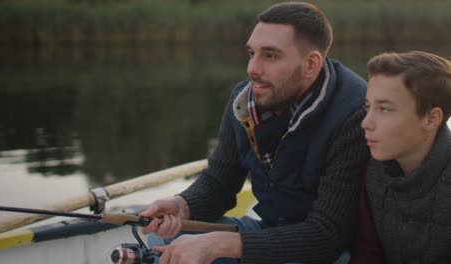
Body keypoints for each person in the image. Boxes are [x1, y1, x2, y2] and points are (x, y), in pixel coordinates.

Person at [140, 2, 369, 263]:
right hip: (272, 233)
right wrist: (183, 206)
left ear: (311, 64)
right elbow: (220, 181)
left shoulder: (354, 115)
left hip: (333, 251)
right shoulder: (244, 101)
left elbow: (328, 235)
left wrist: (226, 244)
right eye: (252, 53)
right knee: (166, 239)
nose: (252, 69)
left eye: (270, 55)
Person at [361, 51, 451, 263]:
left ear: (431, 119)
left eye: (384, 109)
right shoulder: (374, 169)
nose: (366, 123)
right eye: (368, 107)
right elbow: (366, 252)